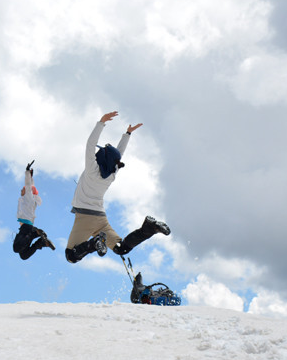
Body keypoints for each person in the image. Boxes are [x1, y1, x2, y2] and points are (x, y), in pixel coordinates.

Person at [65, 111, 170, 263]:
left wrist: (101, 122)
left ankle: (94, 244)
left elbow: (90, 144)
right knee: (121, 248)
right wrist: (127, 134)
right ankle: (149, 228)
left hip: (85, 217)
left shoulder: (91, 170)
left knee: (71, 256)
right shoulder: (111, 174)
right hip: (101, 219)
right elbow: (118, 155)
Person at [13, 160, 55, 260]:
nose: (21, 190)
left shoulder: (28, 198)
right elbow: (31, 186)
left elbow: (28, 186)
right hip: (27, 227)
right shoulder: (29, 199)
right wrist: (31, 177)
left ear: (28, 191)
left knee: (16, 248)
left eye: (24, 189)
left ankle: (35, 234)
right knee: (23, 255)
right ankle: (40, 242)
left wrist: (27, 172)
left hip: (26, 229)